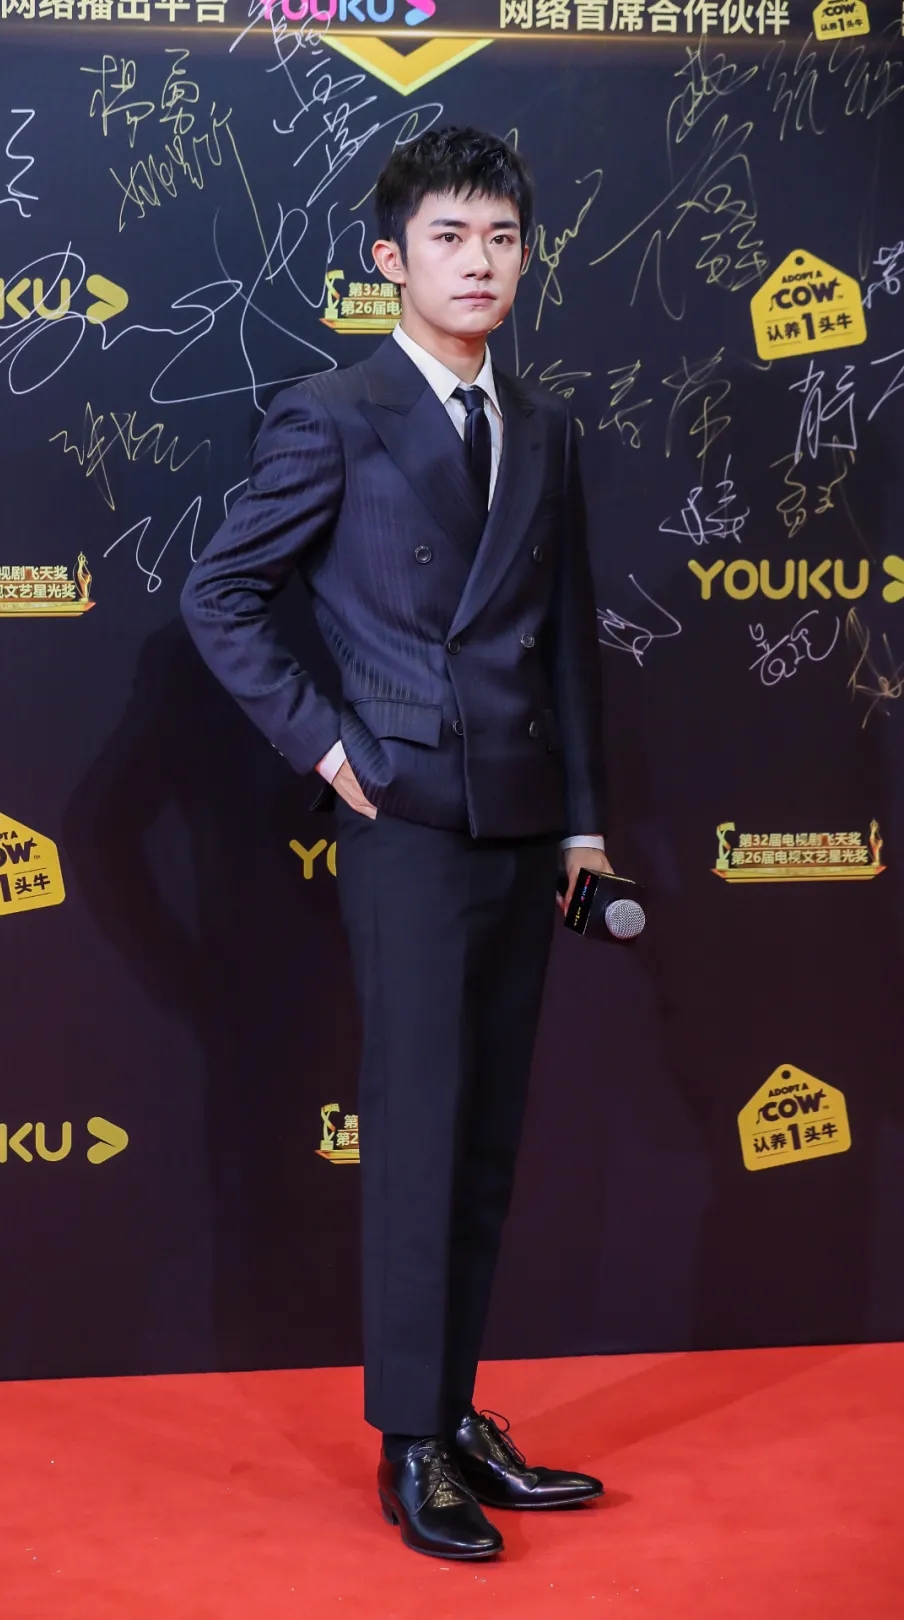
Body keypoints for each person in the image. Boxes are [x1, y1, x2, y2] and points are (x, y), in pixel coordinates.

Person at [181, 125, 611, 1562]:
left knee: (486, 1138)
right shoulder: (333, 414)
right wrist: (330, 747)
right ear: (390, 259)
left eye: (501, 238)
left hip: (525, 820)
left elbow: (568, 645)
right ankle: (410, 1442)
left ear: (526, 257)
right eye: (447, 237)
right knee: (420, 1131)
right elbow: (220, 595)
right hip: (408, 818)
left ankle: (459, 1413)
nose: (478, 262)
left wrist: (586, 826)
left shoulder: (543, 426)